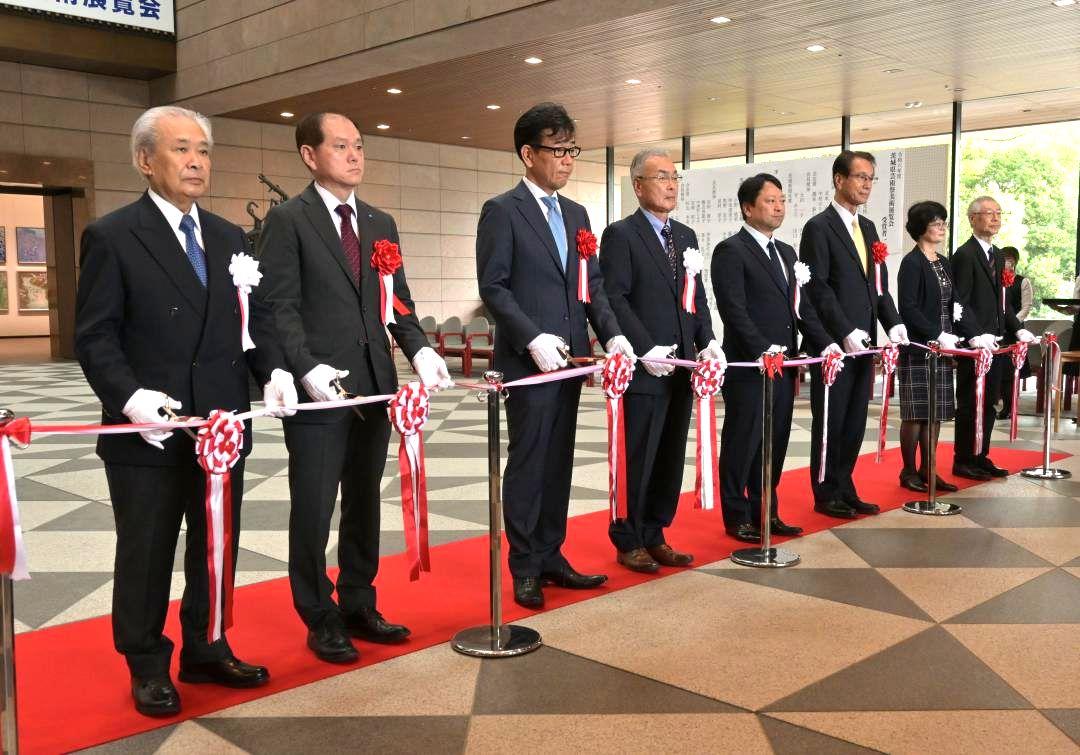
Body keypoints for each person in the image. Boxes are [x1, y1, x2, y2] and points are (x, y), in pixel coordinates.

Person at [75, 106, 296, 717]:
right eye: (180, 149)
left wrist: (271, 370)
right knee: (145, 550)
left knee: (216, 546)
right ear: (146, 160)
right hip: (148, 431)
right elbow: (95, 336)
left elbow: (252, 323)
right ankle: (146, 662)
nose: (196, 161)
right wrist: (128, 397)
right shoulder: (113, 235)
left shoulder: (228, 237)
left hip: (219, 427)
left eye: (203, 149)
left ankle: (207, 644)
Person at [256, 112, 452, 664]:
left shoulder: (379, 221)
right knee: (314, 507)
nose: (354, 155)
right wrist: (304, 367)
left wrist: (420, 349)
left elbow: (398, 300)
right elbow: (280, 306)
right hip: (320, 388)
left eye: (359, 146)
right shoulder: (289, 221)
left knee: (364, 502)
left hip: (373, 386)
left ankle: (359, 601)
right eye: (340, 146)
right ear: (309, 156)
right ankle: (319, 616)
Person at [476, 102, 635, 607]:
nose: (567, 159)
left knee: (559, 461)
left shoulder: (577, 213)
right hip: (530, 363)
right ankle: (523, 564)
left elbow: (593, 288)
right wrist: (531, 338)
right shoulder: (502, 210)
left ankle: (551, 554)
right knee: (528, 461)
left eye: (572, 149)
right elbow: (495, 287)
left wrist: (611, 335)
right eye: (557, 149)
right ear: (528, 153)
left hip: (571, 362)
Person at [599, 148, 723, 573]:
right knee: (639, 452)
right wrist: (644, 347)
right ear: (638, 186)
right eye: (661, 177)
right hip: (645, 365)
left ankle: (655, 532)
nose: (671, 185)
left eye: (675, 177)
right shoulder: (621, 235)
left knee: (670, 453)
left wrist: (707, 341)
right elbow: (614, 297)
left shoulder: (685, 236)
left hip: (684, 366)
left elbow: (697, 298)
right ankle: (627, 537)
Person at [714, 174, 837, 542]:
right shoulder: (730, 250)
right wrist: (761, 347)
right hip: (750, 366)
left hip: (784, 367)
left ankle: (767, 511)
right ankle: (736, 516)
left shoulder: (786, 253)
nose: (779, 206)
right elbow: (733, 309)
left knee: (776, 440)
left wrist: (825, 342)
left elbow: (803, 309)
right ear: (747, 207)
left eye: (782, 200)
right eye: (770, 201)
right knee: (744, 440)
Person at [801, 151, 907, 519]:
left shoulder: (869, 229)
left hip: (865, 343)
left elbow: (877, 285)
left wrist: (892, 322)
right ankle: (825, 492)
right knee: (830, 419)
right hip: (834, 345)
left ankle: (845, 486)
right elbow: (819, 287)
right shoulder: (819, 227)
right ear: (839, 179)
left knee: (854, 419)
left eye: (871, 178)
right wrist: (844, 330)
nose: (866, 185)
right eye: (860, 177)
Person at [951, 197, 1035, 480]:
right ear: (973, 219)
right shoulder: (964, 255)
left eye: (998, 213)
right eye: (989, 213)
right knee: (970, 401)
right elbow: (958, 301)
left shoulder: (998, 256)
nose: (995, 218)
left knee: (990, 401)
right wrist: (973, 335)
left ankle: (981, 454)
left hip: (997, 343)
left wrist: (1017, 327)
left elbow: (1003, 302)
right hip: (976, 345)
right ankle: (963, 459)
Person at [896, 202, 971, 493]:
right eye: (936, 222)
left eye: (944, 222)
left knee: (936, 411)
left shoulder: (943, 262)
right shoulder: (912, 262)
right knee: (916, 412)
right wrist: (936, 334)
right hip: (919, 345)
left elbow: (955, 303)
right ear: (921, 227)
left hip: (942, 346)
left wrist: (960, 334)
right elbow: (908, 308)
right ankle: (908, 471)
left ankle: (930, 470)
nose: (941, 227)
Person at [997, 246, 1034, 419]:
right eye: (1004, 258)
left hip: (1015, 332)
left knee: (1012, 372)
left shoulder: (1022, 281)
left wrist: (1013, 323)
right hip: (997, 331)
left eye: (1010, 259)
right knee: (999, 370)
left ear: (1015, 261)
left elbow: (1026, 307)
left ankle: (1010, 407)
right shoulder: (995, 279)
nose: (1007, 262)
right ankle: (998, 404)